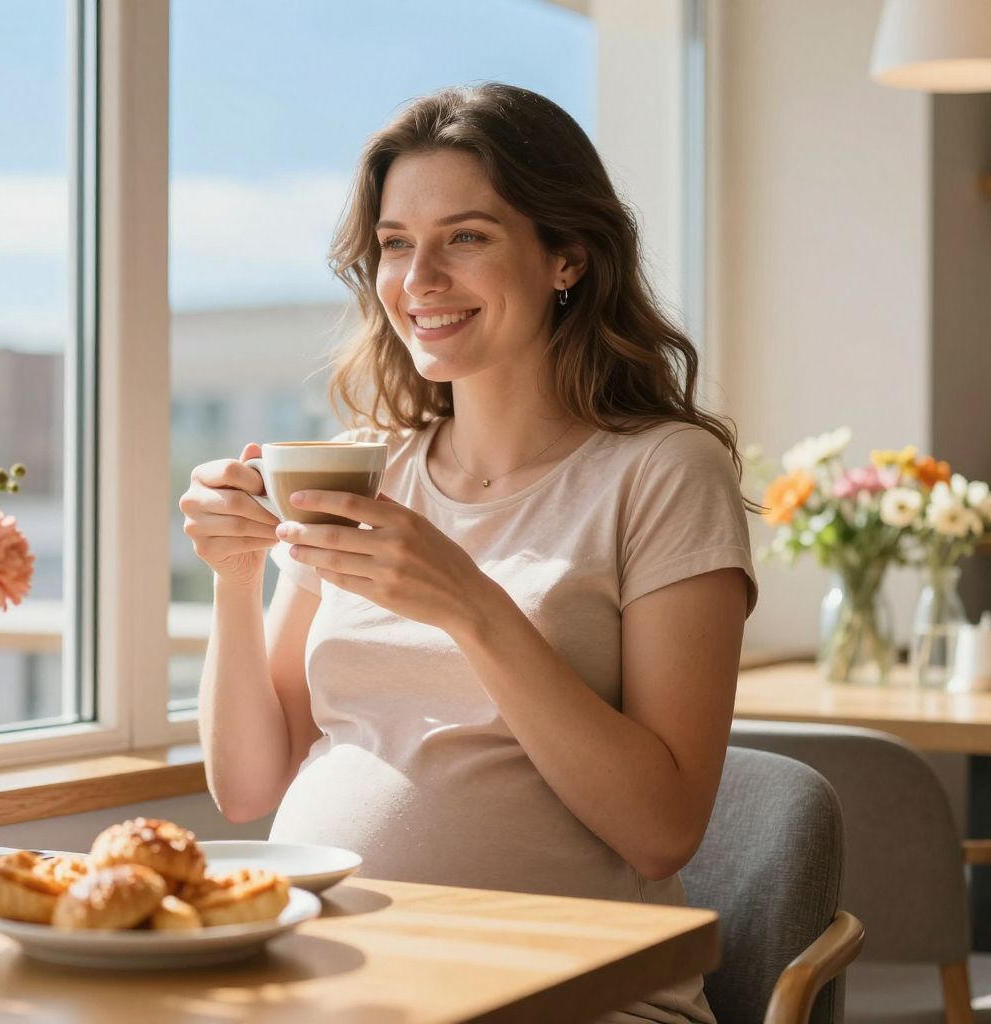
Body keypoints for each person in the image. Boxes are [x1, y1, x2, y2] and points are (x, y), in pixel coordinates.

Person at [178, 82, 756, 1023]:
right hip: (339, 977)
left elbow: (663, 832)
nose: (419, 280)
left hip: (570, 994)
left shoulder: (662, 472)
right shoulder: (372, 465)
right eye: (396, 245)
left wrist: (471, 606)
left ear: (567, 256)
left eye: (468, 237)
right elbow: (248, 787)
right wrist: (238, 580)